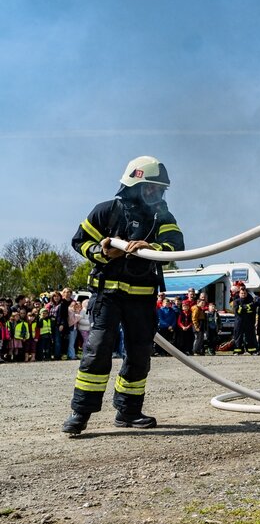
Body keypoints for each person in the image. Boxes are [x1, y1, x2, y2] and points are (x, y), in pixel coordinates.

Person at [62, 156, 184, 435]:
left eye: (159, 189)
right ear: (134, 184)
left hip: (142, 297)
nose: (156, 193)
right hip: (108, 295)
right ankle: (80, 413)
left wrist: (152, 246)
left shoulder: (161, 216)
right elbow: (80, 241)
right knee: (98, 350)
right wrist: (101, 251)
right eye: (150, 187)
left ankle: (128, 411)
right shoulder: (107, 211)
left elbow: (176, 246)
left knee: (139, 353)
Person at [232, 285, 257, 355]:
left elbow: (252, 310)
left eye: (244, 293)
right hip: (239, 321)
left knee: (250, 336)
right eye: (242, 293)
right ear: (239, 294)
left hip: (248, 321)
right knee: (238, 336)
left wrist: (243, 307)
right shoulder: (236, 301)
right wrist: (247, 306)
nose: (243, 294)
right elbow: (237, 311)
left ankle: (251, 350)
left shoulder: (250, 300)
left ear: (246, 293)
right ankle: (238, 351)